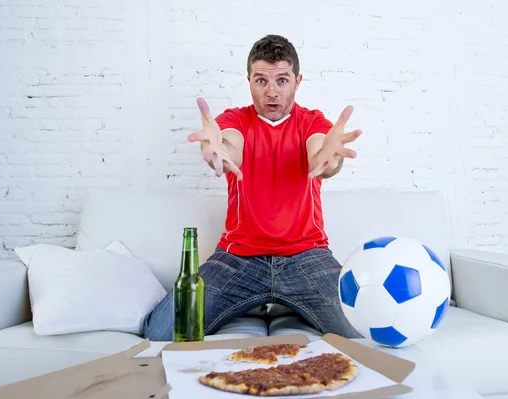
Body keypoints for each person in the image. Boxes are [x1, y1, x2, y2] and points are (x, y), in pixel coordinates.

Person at [143, 34, 363, 340]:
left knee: (362, 330)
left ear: (297, 81)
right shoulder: (234, 120)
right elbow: (230, 146)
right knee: (162, 331)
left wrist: (330, 159)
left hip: (306, 256)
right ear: (249, 80)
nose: (271, 92)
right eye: (261, 80)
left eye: (282, 81)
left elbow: (322, 153)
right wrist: (218, 154)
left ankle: (290, 303)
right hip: (238, 259)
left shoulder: (313, 123)